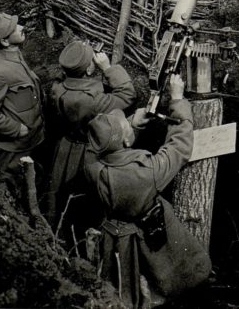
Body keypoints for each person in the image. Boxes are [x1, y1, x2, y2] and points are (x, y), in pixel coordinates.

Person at [84, 74, 211, 308]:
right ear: (125, 142)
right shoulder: (145, 172)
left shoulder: (92, 165)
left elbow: (101, 145)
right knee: (163, 279)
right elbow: (178, 147)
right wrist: (178, 100)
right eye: (125, 126)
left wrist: (130, 124)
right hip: (146, 236)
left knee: (120, 287)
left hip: (113, 234)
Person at [46, 40, 136, 232]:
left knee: (62, 195)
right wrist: (108, 68)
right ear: (88, 71)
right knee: (87, 201)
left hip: (65, 149)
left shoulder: (57, 88)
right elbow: (127, 94)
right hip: (89, 153)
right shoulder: (93, 100)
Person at [0, 13, 44, 188]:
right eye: (14, 28)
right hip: (14, 150)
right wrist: (16, 128)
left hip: (32, 140)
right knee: (16, 189)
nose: (21, 27)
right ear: (5, 41)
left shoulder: (13, 53)